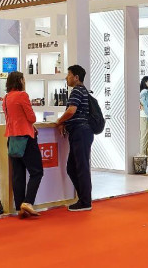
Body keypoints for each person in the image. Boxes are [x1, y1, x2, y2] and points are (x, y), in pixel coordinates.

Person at [3, 71, 42, 219]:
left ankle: (20, 206)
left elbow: (9, 118)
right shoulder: (22, 95)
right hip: (26, 138)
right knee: (37, 172)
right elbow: (31, 117)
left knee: (18, 174)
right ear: (20, 80)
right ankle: (28, 202)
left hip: (12, 138)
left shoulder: (6, 98)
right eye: (24, 79)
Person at [55, 65, 94, 212]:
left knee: (81, 167)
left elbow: (72, 110)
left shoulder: (77, 90)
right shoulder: (81, 90)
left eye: (69, 74)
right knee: (73, 167)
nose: (67, 77)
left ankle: (85, 202)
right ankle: (83, 199)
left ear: (76, 77)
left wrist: (59, 120)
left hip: (81, 132)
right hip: (80, 132)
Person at [139, 76, 148, 157]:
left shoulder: (146, 91)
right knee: (144, 138)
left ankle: (145, 157)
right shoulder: (145, 92)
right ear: (145, 82)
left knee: (145, 138)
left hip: (145, 116)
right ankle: (143, 156)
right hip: (144, 117)